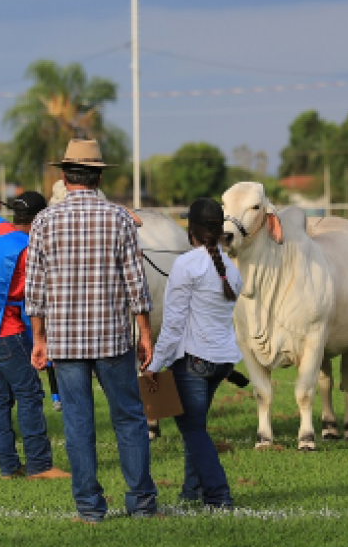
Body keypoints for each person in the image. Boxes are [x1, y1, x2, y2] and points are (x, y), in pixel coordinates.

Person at [26, 138, 158, 523]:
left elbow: (35, 291)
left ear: (65, 177)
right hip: (112, 338)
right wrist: (145, 334)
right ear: (99, 176)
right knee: (129, 419)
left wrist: (38, 338)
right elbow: (137, 285)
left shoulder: (44, 221)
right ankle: (142, 504)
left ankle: (89, 508)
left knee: (78, 423)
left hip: (65, 342)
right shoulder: (119, 219)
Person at [0, 191, 71, 482]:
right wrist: (41, 339)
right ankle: (39, 465)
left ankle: (8, 468)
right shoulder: (28, 249)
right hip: (5, 331)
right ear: (39, 219)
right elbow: (35, 300)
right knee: (29, 394)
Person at [142, 198, 241, 509]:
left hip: (195, 361)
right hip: (222, 361)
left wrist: (153, 365)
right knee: (196, 426)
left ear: (192, 230)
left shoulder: (186, 265)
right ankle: (191, 490)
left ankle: (218, 493)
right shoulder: (230, 269)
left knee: (194, 431)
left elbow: (172, 326)